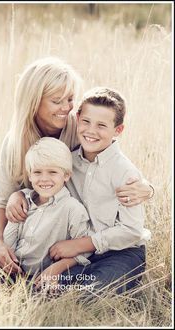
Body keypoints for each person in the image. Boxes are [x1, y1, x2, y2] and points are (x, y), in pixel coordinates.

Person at [0, 57, 153, 280]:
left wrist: (148, 188)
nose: (66, 108)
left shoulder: (79, 128)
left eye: (70, 99)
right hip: (38, 230)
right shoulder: (15, 143)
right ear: (34, 101)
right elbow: (3, 202)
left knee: (75, 288)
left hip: (78, 237)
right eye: (56, 101)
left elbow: (109, 160)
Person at [45, 86, 152, 295]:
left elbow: (131, 231)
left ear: (118, 130)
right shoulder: (68, 162)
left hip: (121, 252)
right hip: (79, 251)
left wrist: (81, 244)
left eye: (101, 125)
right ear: (77, 118)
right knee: (45, 288)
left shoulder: (125, 173)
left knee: (88, 292)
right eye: (86, 122)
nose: (91, 131)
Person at [0, 137, 93, 291]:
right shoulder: (22, 203)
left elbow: (84, 251)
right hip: (9, 274)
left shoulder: (73, 209)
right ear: (30, 175)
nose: (44, 178)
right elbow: (6, 244)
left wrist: (55, 270)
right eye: (37, 172)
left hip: (41, 279)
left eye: (52, 172)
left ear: (66, 175)